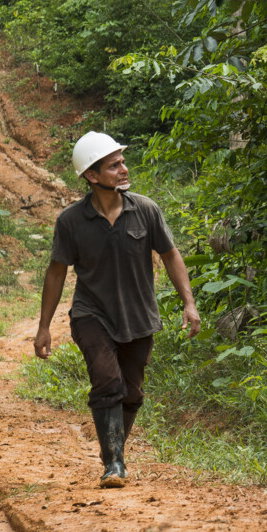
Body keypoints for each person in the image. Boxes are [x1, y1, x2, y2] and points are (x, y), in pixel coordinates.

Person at [34, 131, 201, 488]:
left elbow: (171, 255)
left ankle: (113, 448)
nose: (124, 169)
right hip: (91, 314)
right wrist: (44, 327)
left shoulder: (145, 209)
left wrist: (189, 302)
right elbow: (56, 272)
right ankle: (114, 463)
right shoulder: (71, 221)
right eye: (114, 165)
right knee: (107, 381)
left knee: (132, 392)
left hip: (139, 316)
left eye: (122, 161)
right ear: (92, 176)